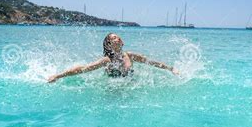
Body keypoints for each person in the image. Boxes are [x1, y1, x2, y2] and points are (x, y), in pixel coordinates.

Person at [47, 33, 178, 83]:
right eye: (114, 38)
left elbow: (151, 62)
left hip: (129, 85)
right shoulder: (107, 60)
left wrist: (171, 69)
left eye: (118, 36)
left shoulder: (130, 55)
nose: (118, 38)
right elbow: (83, 69)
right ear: (109, 45)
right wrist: (58, 76)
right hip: (112, 88)